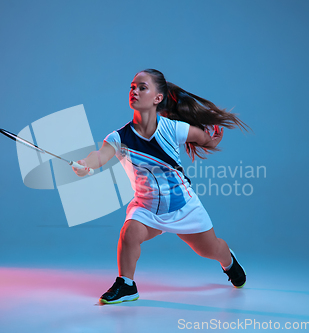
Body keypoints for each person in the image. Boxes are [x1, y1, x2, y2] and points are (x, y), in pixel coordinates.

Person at [73, 69, 251, 304]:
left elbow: (204, 138)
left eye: (142, 87)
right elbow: (100, 155)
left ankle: (228, 261)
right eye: (132, 87)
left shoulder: (172, 129)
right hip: (146, 208)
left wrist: (213, 135)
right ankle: (126, 285)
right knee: (129, 233)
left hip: (183, 206)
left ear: (158, 98)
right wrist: (86, 163)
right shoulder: (118, 138)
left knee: (209, 250)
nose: (134, 91)